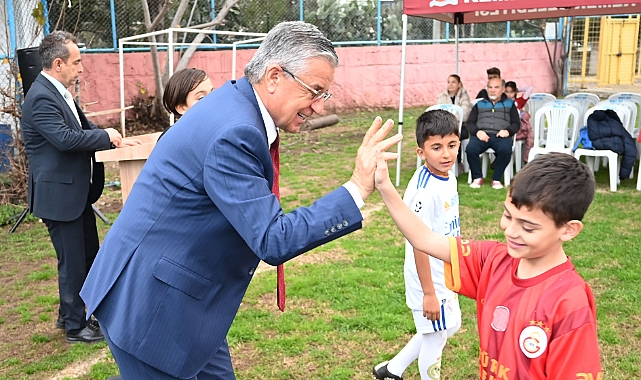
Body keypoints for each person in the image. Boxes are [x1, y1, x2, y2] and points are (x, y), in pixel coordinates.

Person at [80, 21, 402, 380]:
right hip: (151, 308)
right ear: (275, 76)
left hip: (183, 298)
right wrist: (357, 188)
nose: (316, 106)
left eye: (323, 95)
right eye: (315, 91)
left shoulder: (236, 102)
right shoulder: (236, 131)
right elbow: (272, 238)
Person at [375, 152, 603, 380]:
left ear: (568, 230)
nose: (511, 231)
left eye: (528, 227)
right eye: (507, 215)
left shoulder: (570, 302)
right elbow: (425, 239)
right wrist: (384, 185)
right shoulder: (494, 260)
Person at [21, 31, 140, 343]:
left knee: (86, 257)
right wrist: (106, 136)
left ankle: (69, 315)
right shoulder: (41, 97)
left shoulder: (60, 92)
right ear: (58, 63)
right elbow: (65, 139)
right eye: (76, 62)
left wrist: (113, 139)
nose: (81, 68)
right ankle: (76, 328)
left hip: (76, 195)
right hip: (59, 197)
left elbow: (83, 129)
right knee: (72, 263)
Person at [373, 110, 461, 380]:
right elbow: (418, 243)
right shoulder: (424, 191)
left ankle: (392, 369)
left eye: (452, 145)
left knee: (451, 325)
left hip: (447, 270)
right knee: (435, 337)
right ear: (421, 152)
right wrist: (429, 293)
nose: (446, 154)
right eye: (436, 147)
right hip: (428, 278)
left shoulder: (449, 176)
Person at [466, 77, 520, 189]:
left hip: (501, 135)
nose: (492, 90)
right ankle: (477, 177)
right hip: (482, 134)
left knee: (506, 150)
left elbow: (516, 124)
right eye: (490, 87)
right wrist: (477, 132)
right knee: (471, 149)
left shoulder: (510, 105)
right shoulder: (479, 104)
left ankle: (496, 178)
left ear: (503, 89)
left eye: (496, 87)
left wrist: (507, 131)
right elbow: (470, 123)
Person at [158, 68, 214, 140]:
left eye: (213, 92)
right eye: (201, 98)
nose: (211, 99)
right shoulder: (171, 139)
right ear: (182, 108)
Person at [505, 81, 534, 163]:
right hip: (507, 128)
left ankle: (526, 157)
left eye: (511, 92)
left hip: (520, 129)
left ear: (515, 92)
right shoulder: (502, 102)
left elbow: (530, 88)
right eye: (506, 92)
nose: (509, 94)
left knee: (530, 136)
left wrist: (518, 89)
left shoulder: (519, 101)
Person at [435, 74, 471, 139]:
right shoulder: (441, 97)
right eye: (448, 82)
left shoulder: (464, 96)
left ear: (459, 84)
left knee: (455, 135)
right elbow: (438, 114)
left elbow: (465, 114)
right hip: (444, 126)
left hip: (460, 125)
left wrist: (450, 120)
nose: (450, 84)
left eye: (453, 82)